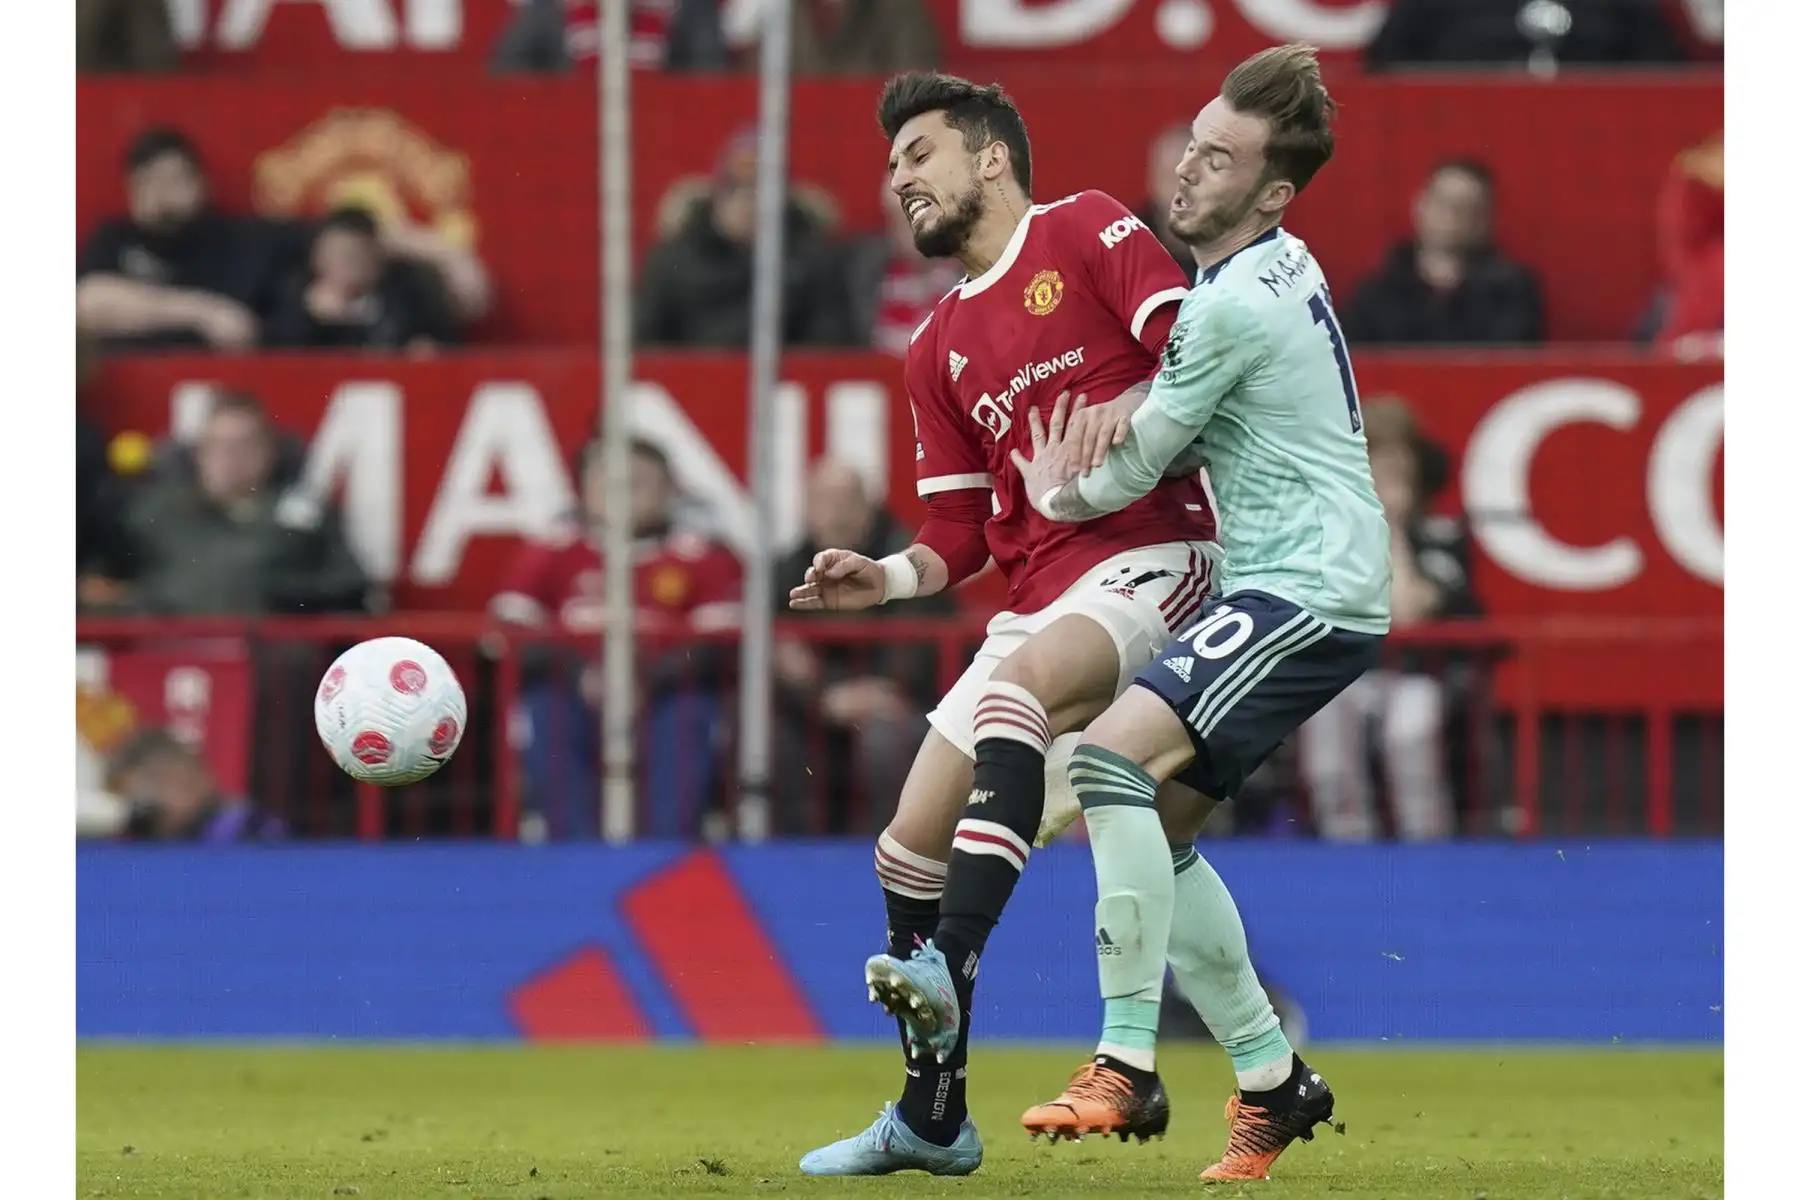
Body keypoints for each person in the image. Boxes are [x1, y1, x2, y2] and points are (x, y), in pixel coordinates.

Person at [791, 71, 1218, 1177]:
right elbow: (959, 532)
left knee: (1023, 701)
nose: (900, 182)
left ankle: (957, 957)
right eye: (892, 170)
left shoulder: (1082, 229)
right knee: (905, 847)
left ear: (990, 158)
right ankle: (934, 1118)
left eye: (919, 155)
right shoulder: (933, 347)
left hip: (1157, 557)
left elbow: (1200, 343)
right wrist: (882, 580)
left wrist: (1141, 402)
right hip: (1037, 601)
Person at [1008, 44, 1390, 1182]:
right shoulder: (1272, 268)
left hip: (1306, 585)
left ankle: (1125, 1059)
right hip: (1305, 580)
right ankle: (1274, 1083)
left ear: (1272, 193)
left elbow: (1126, 477)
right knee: (1155, 829)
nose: (1186, 170)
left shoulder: (1227, 310)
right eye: (1192, 143)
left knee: (1107, 766)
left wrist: (1046, 478)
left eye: (1220, 161)